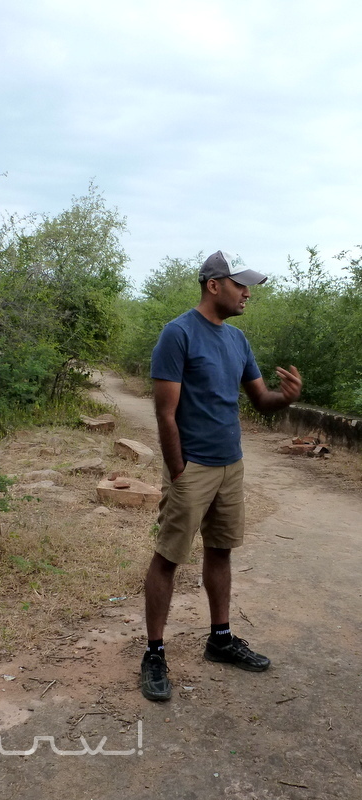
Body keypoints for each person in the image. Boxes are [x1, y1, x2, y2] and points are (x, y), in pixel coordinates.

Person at [141, 250, 302, 701]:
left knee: (221, 551)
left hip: (231, 464)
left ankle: (221, 638)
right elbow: (165, 413)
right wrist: (179, 471)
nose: (248, 293)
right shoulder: (178, 334)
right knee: (169, 557)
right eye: (240, 284)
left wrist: (286, 398)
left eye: (249, 285)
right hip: (193, 467)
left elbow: (261, 402)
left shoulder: (238, 340)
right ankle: (154, 651)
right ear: (215, 285)